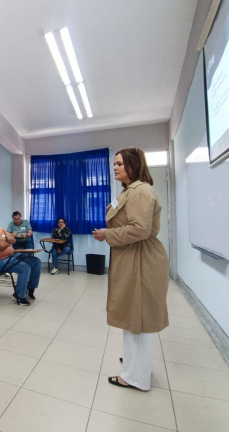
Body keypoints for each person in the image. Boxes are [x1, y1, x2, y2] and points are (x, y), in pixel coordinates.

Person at [93, 148, 169, 391]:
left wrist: (108, 234)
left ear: (133, 165)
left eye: (119, 164)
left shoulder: (140, 192)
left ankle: (136, 377)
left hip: (141, 260)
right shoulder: (131, 190)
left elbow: (140, 229)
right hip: (134, 257)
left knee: (139, 316)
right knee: (133, 314)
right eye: (114, 164)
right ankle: (137, 363)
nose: (114, 168)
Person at [0, 210, 41, 306]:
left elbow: (13, 240)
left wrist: (4, 239)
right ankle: (19, 296)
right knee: (25, 268)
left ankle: (30, 290)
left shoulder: (0, 229)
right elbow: (1, 246)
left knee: (36, 262)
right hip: (1, 260)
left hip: (13, 255)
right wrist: (7, 239)